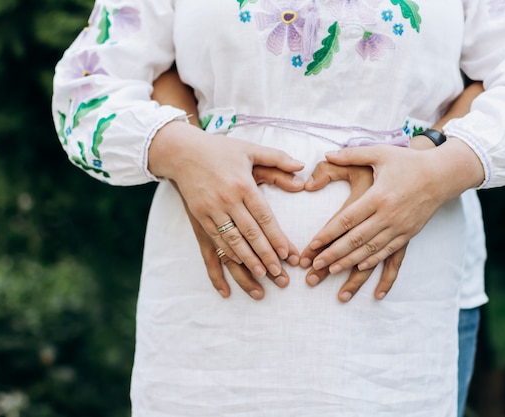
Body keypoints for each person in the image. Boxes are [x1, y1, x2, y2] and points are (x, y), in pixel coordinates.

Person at [52, 1, 505, 416]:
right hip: (211, 315)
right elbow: (88, 86)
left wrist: (436, 168)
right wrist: (182, 151)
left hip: (399, 314)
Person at [150, 68, 485, 417]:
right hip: (209, 304)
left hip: (408, 302)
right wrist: (188, 153)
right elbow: (136, 67)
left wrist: (428, 154)